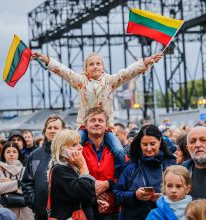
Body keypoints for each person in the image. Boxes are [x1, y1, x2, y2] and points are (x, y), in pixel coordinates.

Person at [32, 51, 163, 171]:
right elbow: (63, 71)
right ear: (86, 69)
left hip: (106, 127)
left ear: (103, 67)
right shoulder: (80, 81)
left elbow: (128, 72)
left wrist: (146, 61)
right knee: (70, 147)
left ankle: (128, 173)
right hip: (83, 126)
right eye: (91, 64)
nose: (95, 66)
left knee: (118, 150)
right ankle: (63, 171)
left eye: (98, 64)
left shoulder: (110, 81)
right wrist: (47, 60)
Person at [113, 124, 176, 220]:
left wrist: (164, 198)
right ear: (139, 144)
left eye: (152, 144)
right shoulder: (131, 166)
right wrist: (134, 195)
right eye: (145, 144)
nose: (149, 148)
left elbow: (184, 192)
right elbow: (117, 194)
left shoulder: (171, 164)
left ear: (159, 141)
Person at [47, 129, 99, 220]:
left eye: (79, 143)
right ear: (62, 150)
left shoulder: (73, 168)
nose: (80, 147)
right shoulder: (59, 170)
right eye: (74, 145)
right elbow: (84, 193)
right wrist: (83, 167)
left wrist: (96, 202)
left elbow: (83, 197)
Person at [22, 115, 65, 220]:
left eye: (56, 128)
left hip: (65, 214)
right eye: (49, 128)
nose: (52, 130)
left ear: (63, 130)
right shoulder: (35, 155)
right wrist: (35, 203)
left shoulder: (69, 153)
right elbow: (27, 182)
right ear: (45, 131)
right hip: (41, 214)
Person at [82, 107, 121, 219]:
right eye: (93, 120)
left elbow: (125, 176)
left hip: (111, 210)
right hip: (85, 209)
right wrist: (93, 192)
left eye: (100, 120)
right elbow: (72, 179)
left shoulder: (116, 151)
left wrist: (108, 184)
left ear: (106, 126)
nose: (97, 123)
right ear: (85, 125)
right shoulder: (79, 150)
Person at [0, 142, 34, 220]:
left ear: (18, 154)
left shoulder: (25, 170)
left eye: (14, 151)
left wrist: (11, 183)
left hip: (26, 211)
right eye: (8, 152)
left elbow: (31, 189)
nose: (11, 154)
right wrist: (18, 183)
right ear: (4, 154)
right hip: (7, 211)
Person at [183, 126, 206, 202]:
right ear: (188, 149)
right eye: (192, 141)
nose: (197, 145)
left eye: (203, 140)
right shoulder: (182, 172)